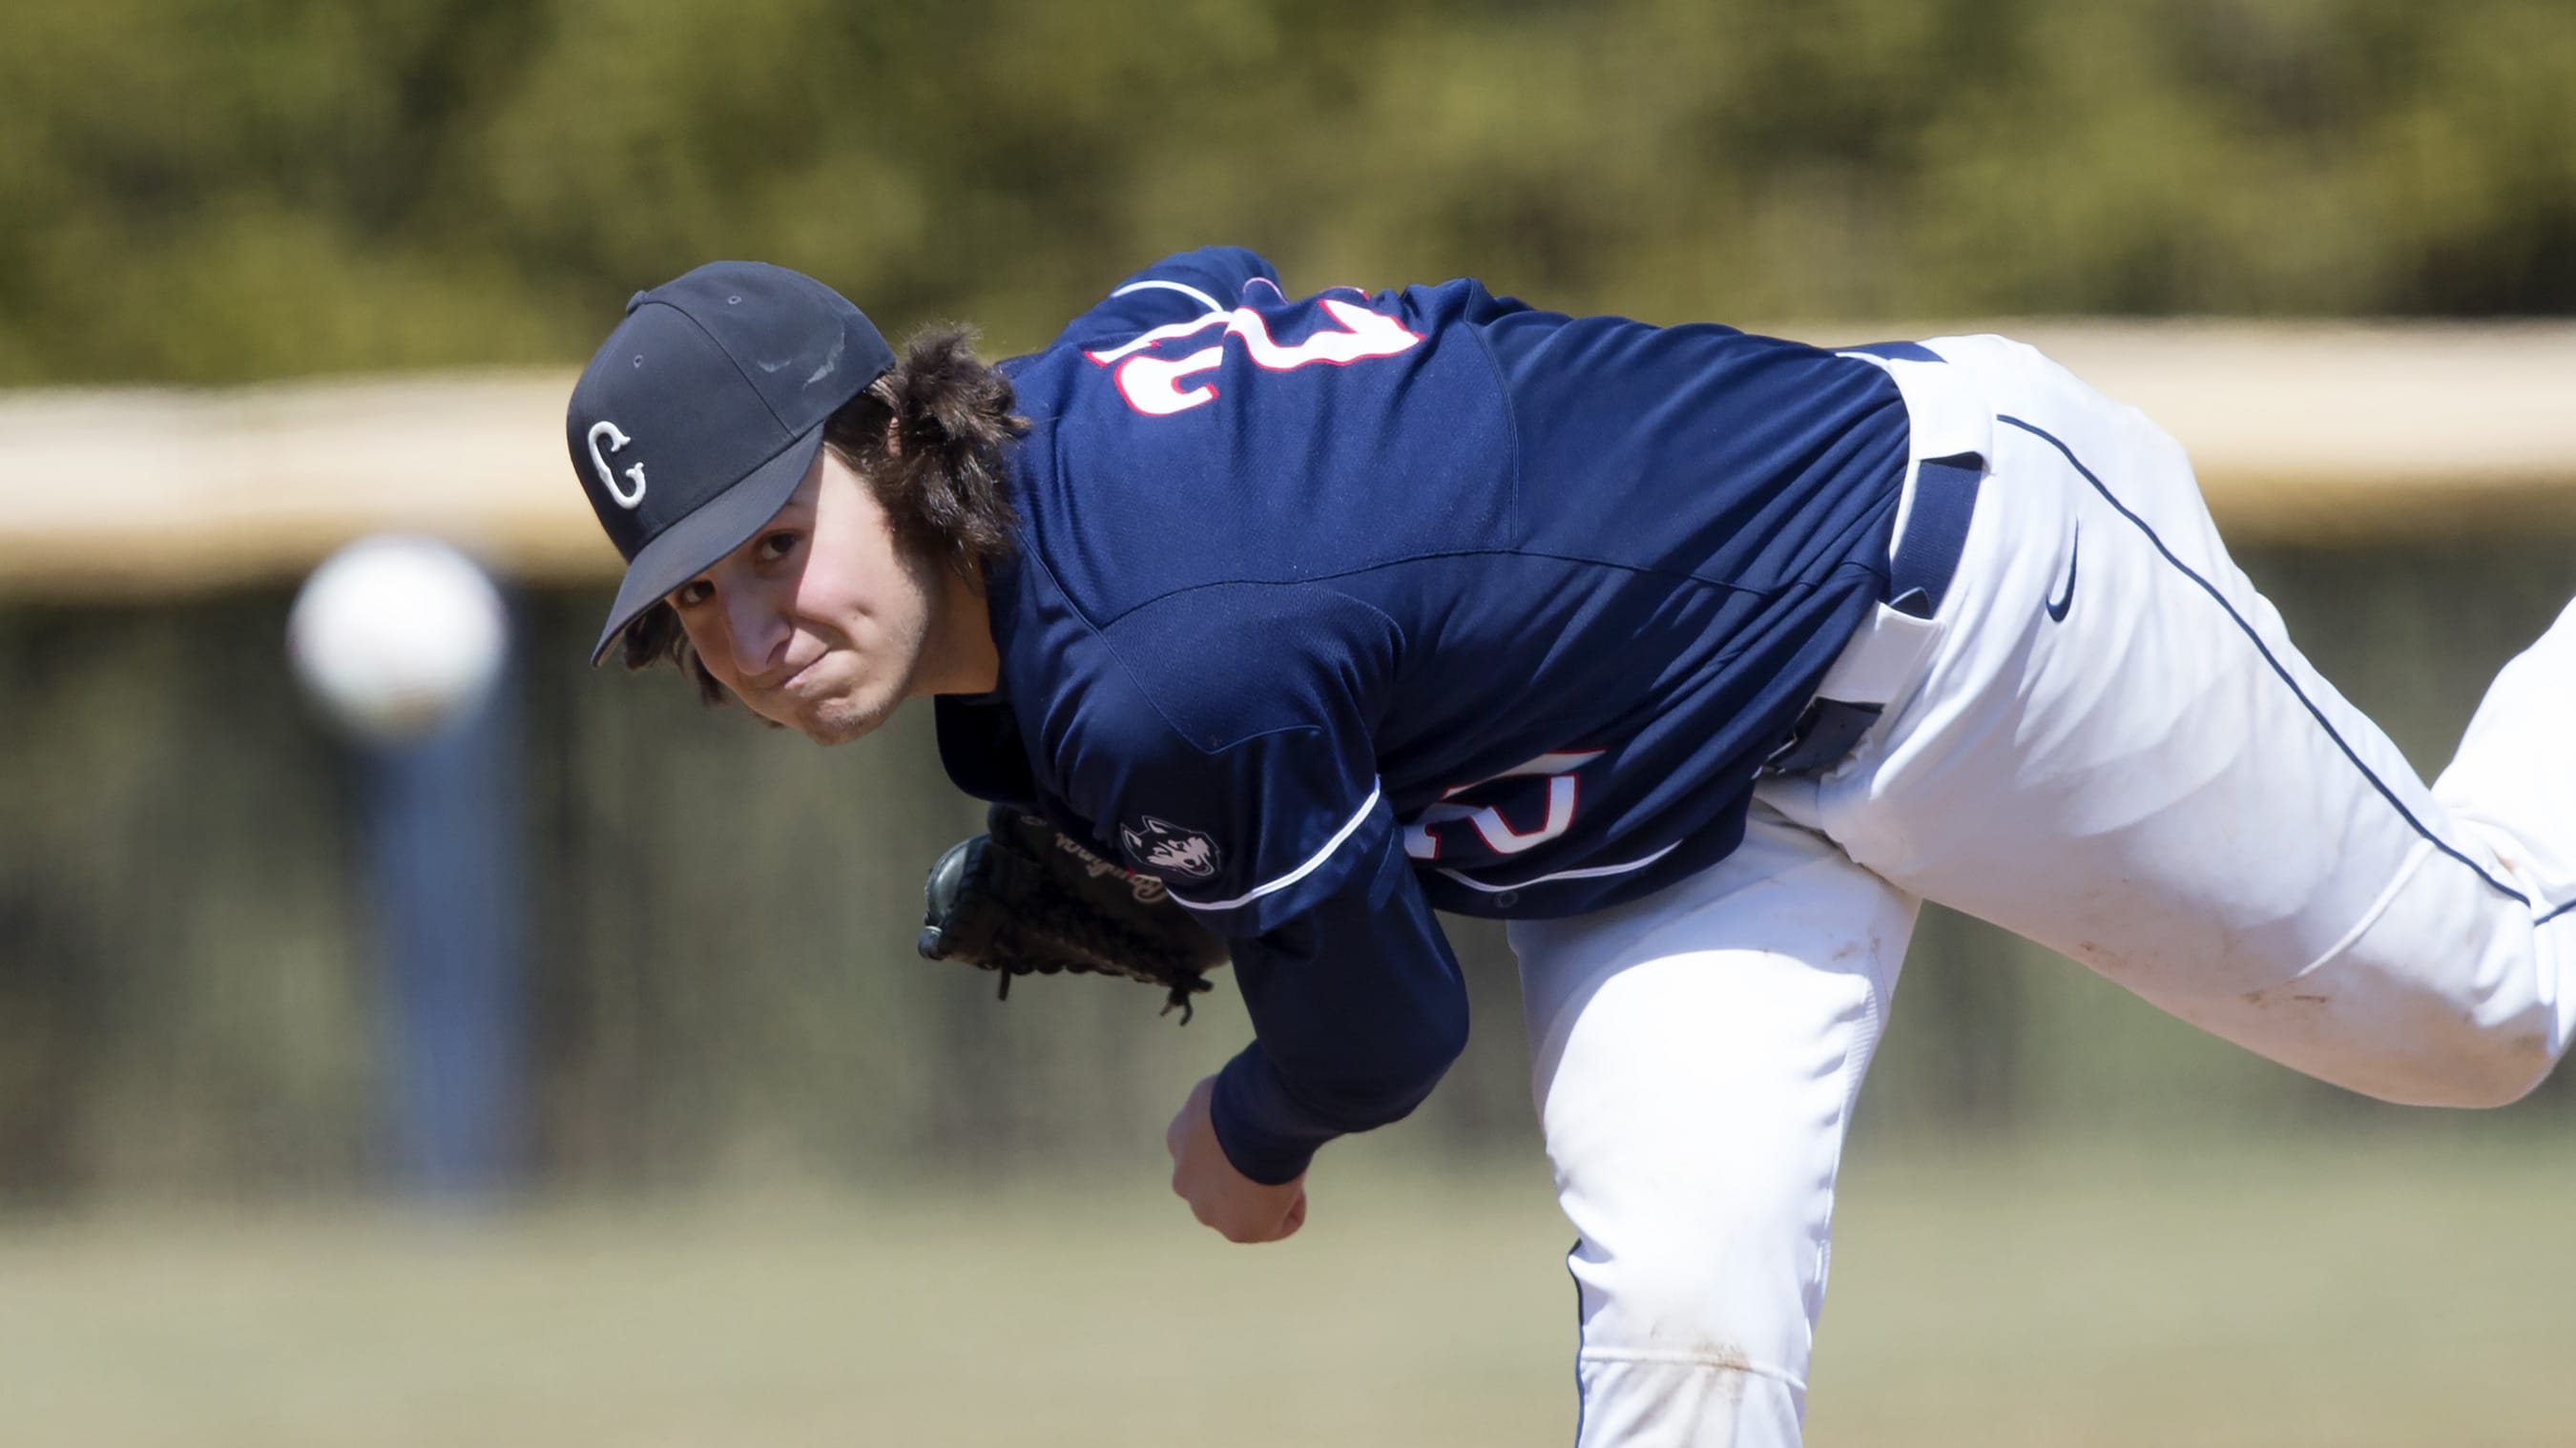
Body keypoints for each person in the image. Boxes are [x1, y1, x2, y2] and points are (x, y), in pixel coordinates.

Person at [563, 250, 2574, 1447]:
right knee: (1683, 1332)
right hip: (1667, 826)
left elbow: (1383, 1031)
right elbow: (1219, 288)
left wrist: (1249, 1133)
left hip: (1959, 608)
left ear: (888, 437)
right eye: (698, 607)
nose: (759, 633)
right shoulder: (1065, 420)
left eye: (774, 546)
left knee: (2484, 1006)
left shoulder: (1159, 675)